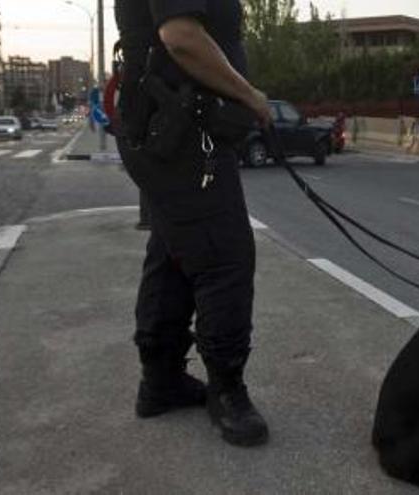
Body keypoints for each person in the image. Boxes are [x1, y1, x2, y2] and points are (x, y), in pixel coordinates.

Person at [114, 0, 272, 447]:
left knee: (173, 252)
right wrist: (249, 94)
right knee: (225, 257)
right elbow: (180, 36)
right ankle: (227, 392)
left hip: (168, 127)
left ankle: (161, 381)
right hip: (180, 131)